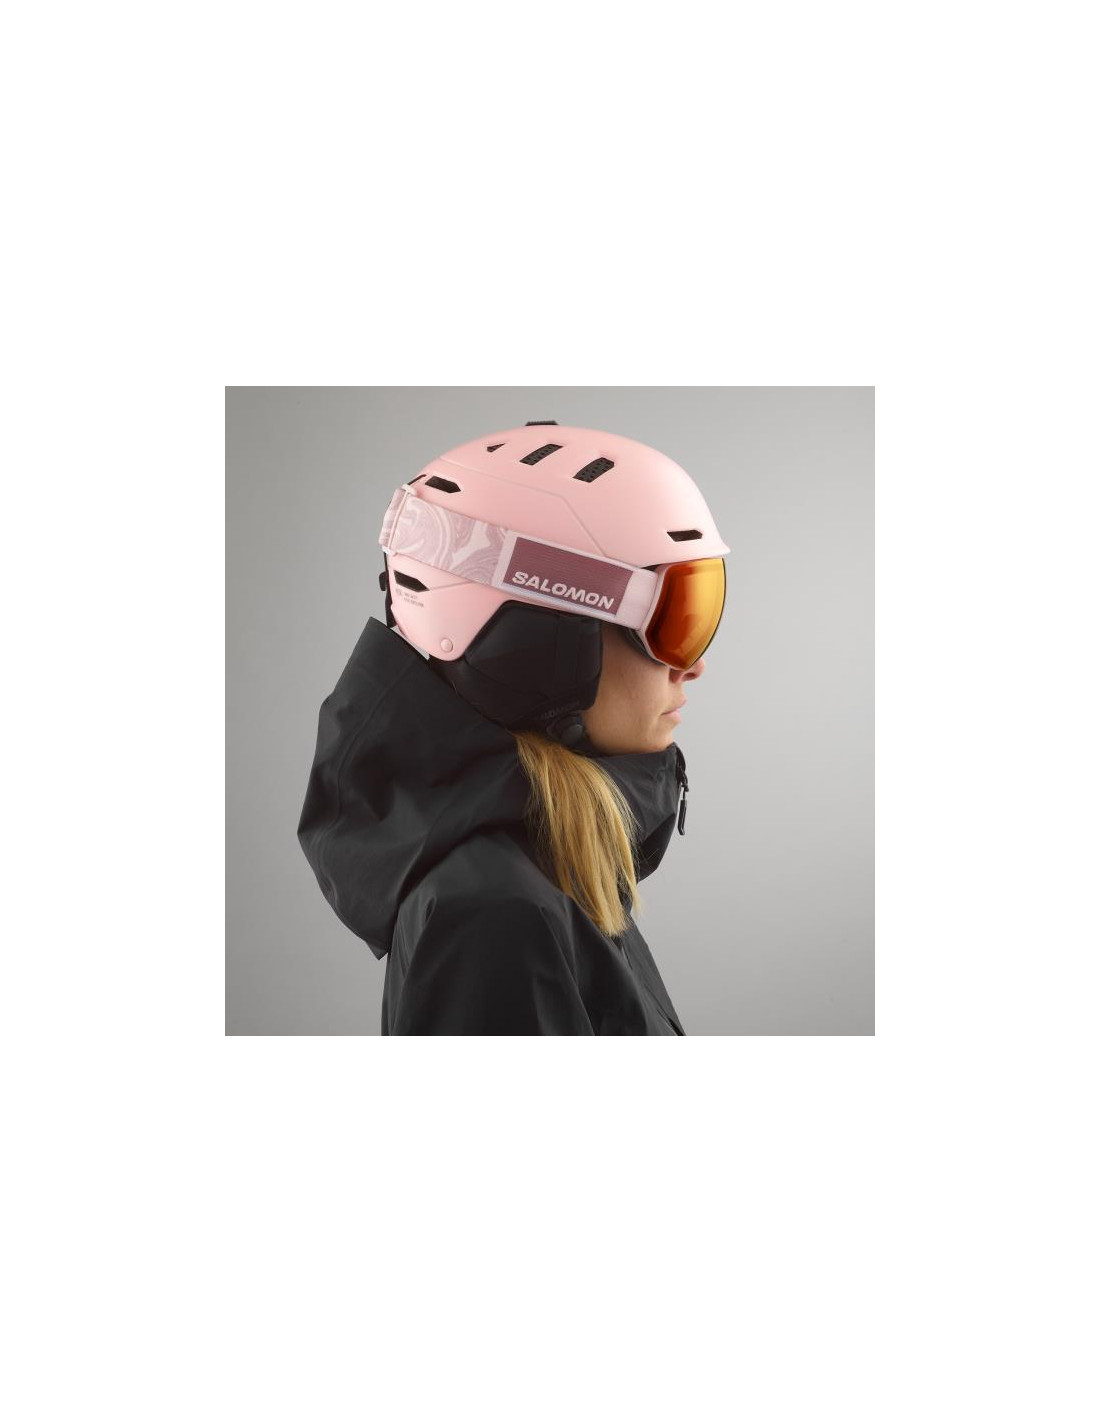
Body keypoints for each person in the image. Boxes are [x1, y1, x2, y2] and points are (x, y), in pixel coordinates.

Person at [297, 421, 730, 1034]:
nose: (693, 666)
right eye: (671, 622)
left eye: (701, 611)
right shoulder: (494, 915)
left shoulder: (554, 858)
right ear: (538, 647)